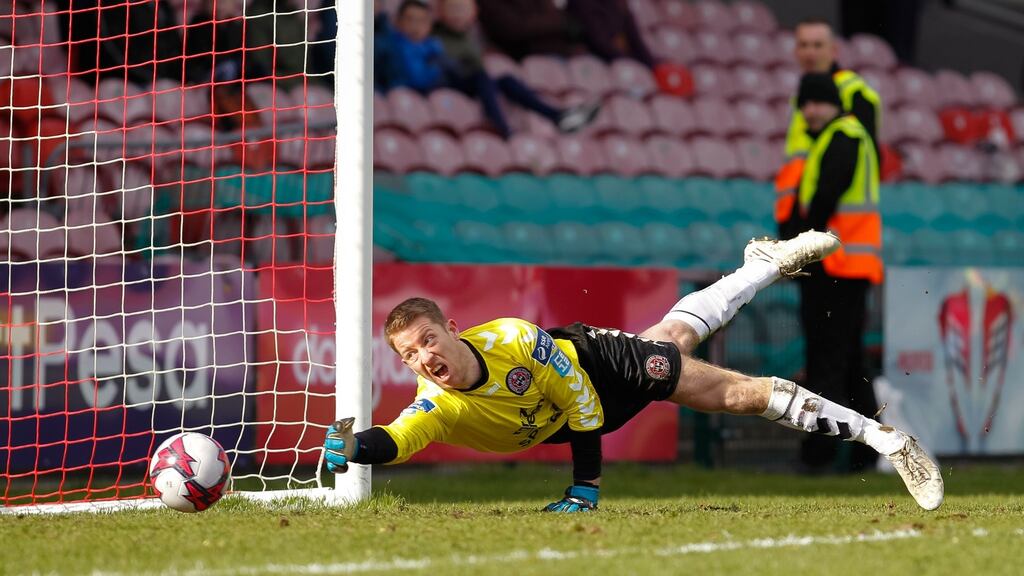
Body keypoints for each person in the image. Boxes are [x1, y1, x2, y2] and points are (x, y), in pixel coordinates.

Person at [323, 231, 942, 512]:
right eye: (409, 356)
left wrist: (585, 488)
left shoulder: (517, 340)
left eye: (427, 340)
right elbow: (397, 440)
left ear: (451, 329)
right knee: (675, 333)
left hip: (592, 365)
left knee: (734, 394)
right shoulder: (440, 404)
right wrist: (351, 447)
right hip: (574, 415)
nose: (423, 359)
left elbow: (586, 407)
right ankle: (762, 264)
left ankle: (889, 439)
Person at [780, 73, 884, 474]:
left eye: (817, 102)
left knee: (826, 358)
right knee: (850, 359)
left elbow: (825, 198)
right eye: (805, 103)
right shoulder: (840, 136)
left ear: (832, 104)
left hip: (836, 267)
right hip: (847, 267)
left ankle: (819, 453)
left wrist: (797, 247)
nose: (810, 110)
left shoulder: (842, 135)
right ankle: (865, 451)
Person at [376, 0, 598, 138]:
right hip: (428, 89)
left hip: (448, 83)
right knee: (483, 78)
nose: (415, 27)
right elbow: (415, 77)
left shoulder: (435, 45)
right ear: (398, 22)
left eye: (421, 21)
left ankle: (557, 115)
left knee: (505, 79)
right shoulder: (396, 45)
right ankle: (504, 130)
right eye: (410, 20)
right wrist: (442, 67)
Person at [475, 0, 586, 61]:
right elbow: (514, 28)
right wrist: (559, 22)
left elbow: (560, 18)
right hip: (525, 58)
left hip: (562, 52)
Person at [565, 0, 658, 69]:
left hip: (621, 59)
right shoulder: (582, 3)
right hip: (595, 59)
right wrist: (630, 61)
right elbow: (599, 41)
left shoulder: (620, 4)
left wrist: (653, 65)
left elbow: (636, 40)